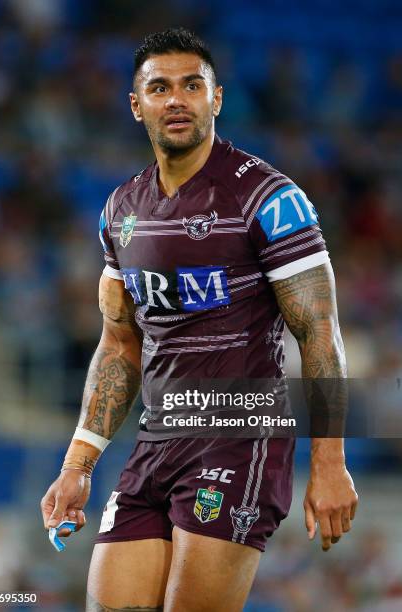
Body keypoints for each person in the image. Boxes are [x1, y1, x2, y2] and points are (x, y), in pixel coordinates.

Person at [41, 27, 358, 612]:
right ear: (137, 106)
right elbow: (118, 345)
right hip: (155, 440)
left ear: (217, 98)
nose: (177, 99)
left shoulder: (268, 198)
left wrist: (331, 462)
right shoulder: (121, 211)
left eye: (193, 85)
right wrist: (78, 464)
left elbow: (320, 333)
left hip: (239, 439)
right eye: (159, 88)